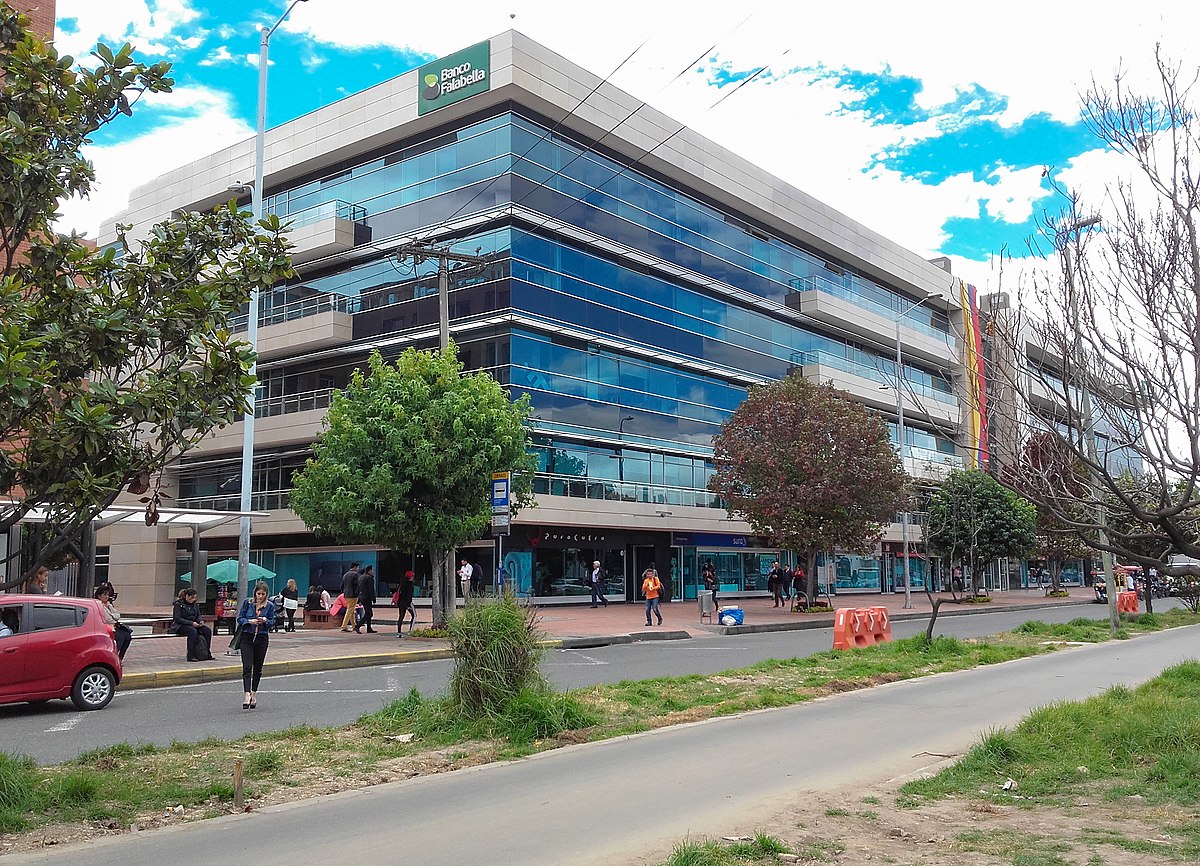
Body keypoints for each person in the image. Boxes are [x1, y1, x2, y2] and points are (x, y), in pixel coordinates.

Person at [236, 581, 275, 710]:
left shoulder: (269, 606)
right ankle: (246, 694)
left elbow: (272, 622)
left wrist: (265, 620)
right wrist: (249, 621)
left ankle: (254, 693)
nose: (260, 596)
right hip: (247, 637)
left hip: (261, 638)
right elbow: (240, 618)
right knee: (247, 667)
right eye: (259, 594)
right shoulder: (248, 603)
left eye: (263, 594)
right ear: (255, 593)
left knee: (258, 668)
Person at [171, 588, 213, 662]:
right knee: (192, 632)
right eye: (192, 598)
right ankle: (190, 655)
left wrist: (200, 621)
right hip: (181, 625)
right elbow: (177, 618)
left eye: (194, 598)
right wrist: (191, 623)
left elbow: (198, 615)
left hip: (194, 624)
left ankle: (206, 652)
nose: (193, 599)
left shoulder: (195, 605)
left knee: (207, 631)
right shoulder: (179, 604)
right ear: (187, 596)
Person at [95, 584, 132, 660]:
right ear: (99, 596)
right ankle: (113, 657)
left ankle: (120, 658)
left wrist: (110, 610)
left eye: (107, 595)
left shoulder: (108, 605)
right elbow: (108, 619)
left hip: (114, 626)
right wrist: (114, 616)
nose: (107, 597)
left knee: (127, 636)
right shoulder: (98, 605)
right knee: (120, 638)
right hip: (106, 628)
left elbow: (118, 615)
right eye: (104, 595)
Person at [340, 561, 361, 632]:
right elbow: (358, 585)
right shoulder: (356, 575)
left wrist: (343, 592)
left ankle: (354, 625)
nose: (358, 569)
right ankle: (344, 626)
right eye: (358, 567)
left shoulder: (345, 574)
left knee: (351, 610)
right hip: (353, 595)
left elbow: (342, 585)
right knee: (350, 610)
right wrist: (358, 593)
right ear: (355, 567)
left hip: (346, 594)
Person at [356, 565, 378, 633]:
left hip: (362, 596)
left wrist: (359, 599)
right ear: (369, 570)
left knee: (369, 613)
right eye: (372, 570)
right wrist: (373, 598)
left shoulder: (361, 577)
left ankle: (369, 628)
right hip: (367, 597)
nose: (373, 571)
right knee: (368, 613)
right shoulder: (369, 578)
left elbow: (358, 588)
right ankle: (358, 626)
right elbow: (371, 589)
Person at [395, 570, 416, 637]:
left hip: (401, 602)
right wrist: (408, 605)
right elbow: (408, 596)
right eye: (412, 576)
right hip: (407, 603)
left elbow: (399, 593)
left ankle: (399, 632)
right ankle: (411, 631)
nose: (413, 577)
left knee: (401, 617)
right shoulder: (410, 585)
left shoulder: (402, 584)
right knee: (414, 616)